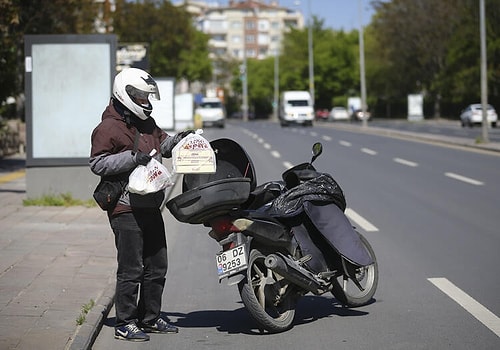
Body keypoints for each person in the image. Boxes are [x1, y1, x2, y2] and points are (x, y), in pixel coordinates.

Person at [90, 67, 192, 342]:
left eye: (148, 96)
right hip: (125, 208)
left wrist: (181, 139)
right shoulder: (108, 127)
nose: (146, 101)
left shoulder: (147, 122)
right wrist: (132, 158)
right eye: (141, 96)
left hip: (150, 204)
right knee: (131, 268)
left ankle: (150, 318)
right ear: (125, 94)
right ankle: (125, 322)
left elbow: (163, 144)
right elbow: (97, 163)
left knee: (157, 265)